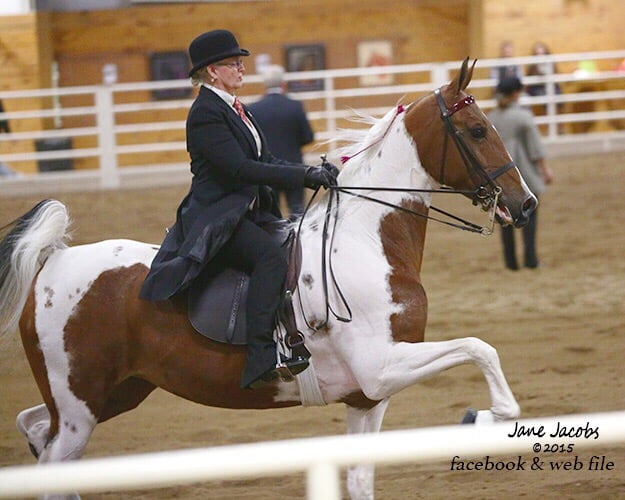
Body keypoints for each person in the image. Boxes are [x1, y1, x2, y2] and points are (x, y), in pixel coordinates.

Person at [139, 30, 339, 389]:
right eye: (233, 63)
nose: (241, 68)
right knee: (270, 259)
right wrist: (304, 176)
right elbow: (240, 169)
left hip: (249, 210)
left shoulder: (236, 107)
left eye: (241, 62)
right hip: (218, 216)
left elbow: (265, 159)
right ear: (212, 71)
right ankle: (262, 355)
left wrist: (310, 171)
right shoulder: (205, 114)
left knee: (295, 245)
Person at [487, 77, 554, 270]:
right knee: (530, 216)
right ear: (517, 93)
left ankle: (511, 262)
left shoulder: (492, 117)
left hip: (499, 174)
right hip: (523, 170)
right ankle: (531, 260)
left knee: (506, 218)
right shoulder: (524, 117)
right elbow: (535, 148)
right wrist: (545, 170)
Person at [248, 65, 315, 219]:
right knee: (298, 212)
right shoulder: (295, 106)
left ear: (265, 85)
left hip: (268, 169)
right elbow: (308, 137)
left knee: (272, 213)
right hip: (294, 166)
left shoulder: (255, 109)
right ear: (283, 83)